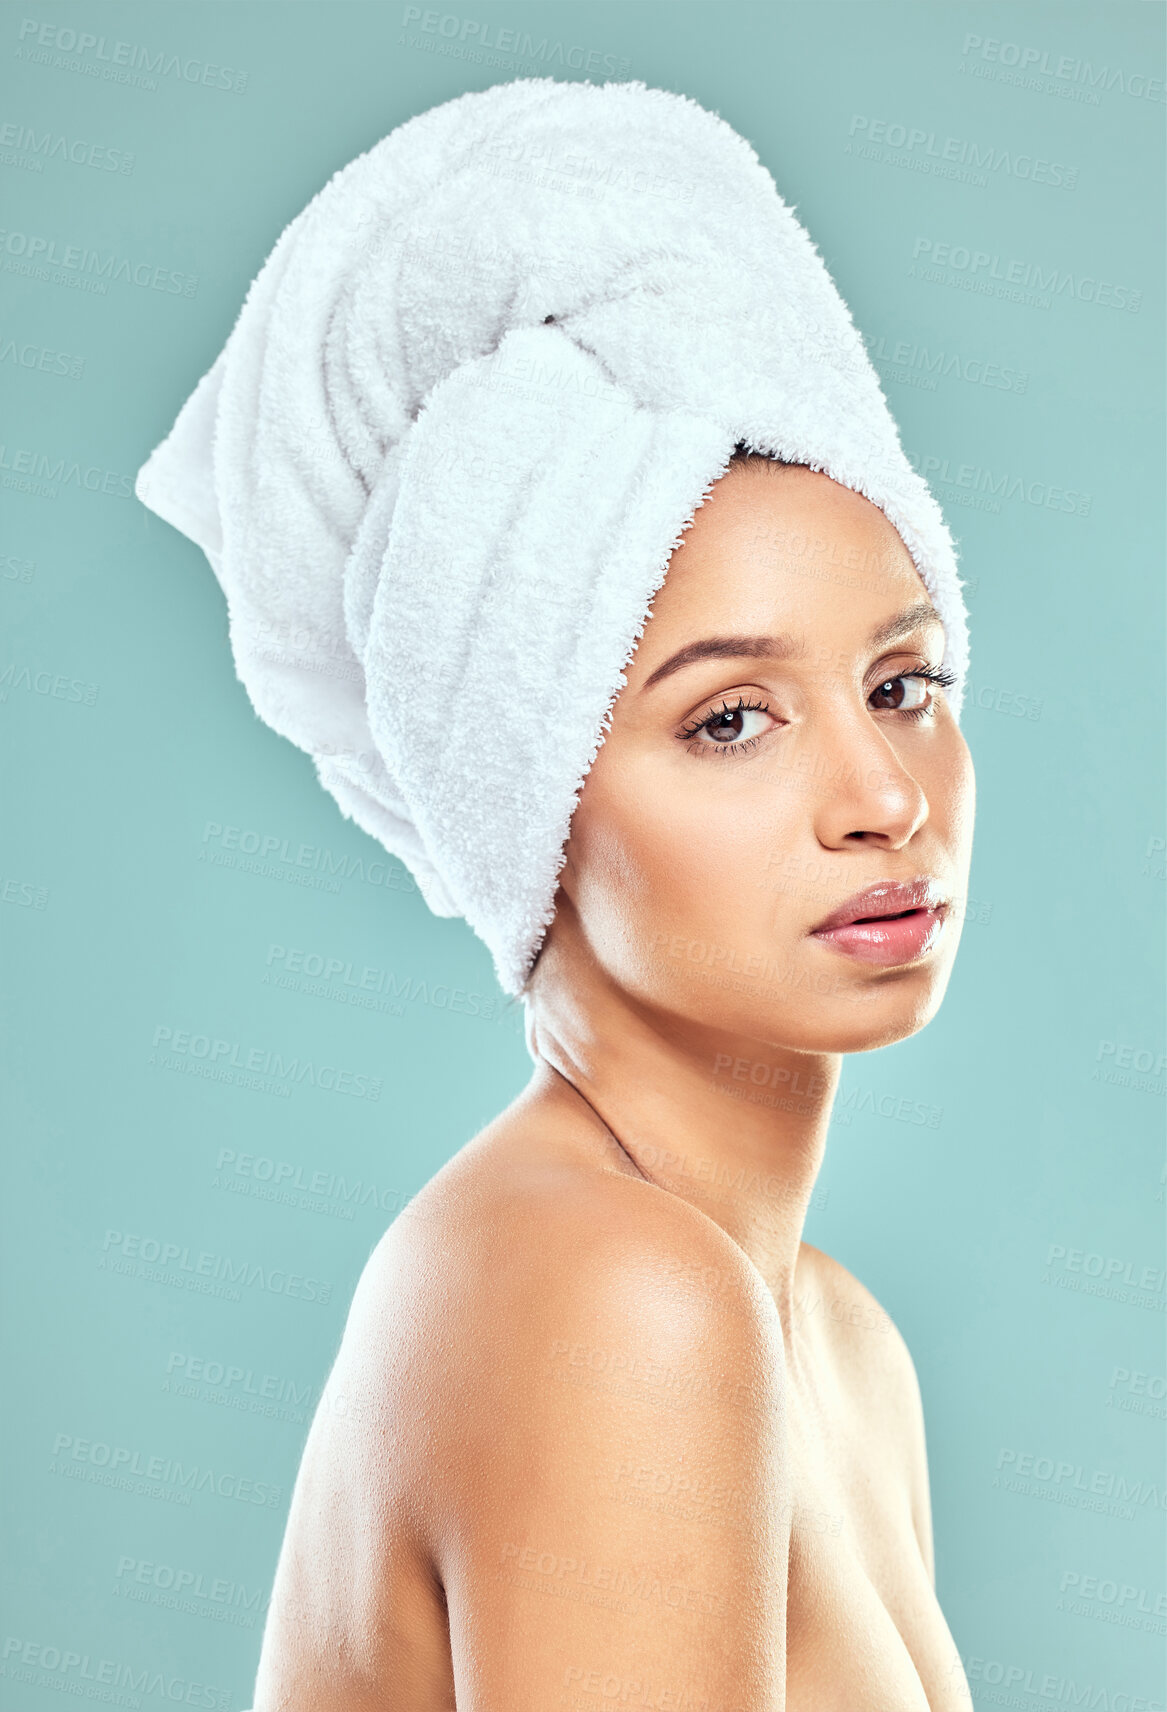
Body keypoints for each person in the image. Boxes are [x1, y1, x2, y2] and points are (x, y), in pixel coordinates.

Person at [135, 78, 975, 1710]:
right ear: (524, 806)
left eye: (903, 683)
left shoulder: (839, 1348)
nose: (884, 799)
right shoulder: (618, 1301)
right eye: (730, 720)